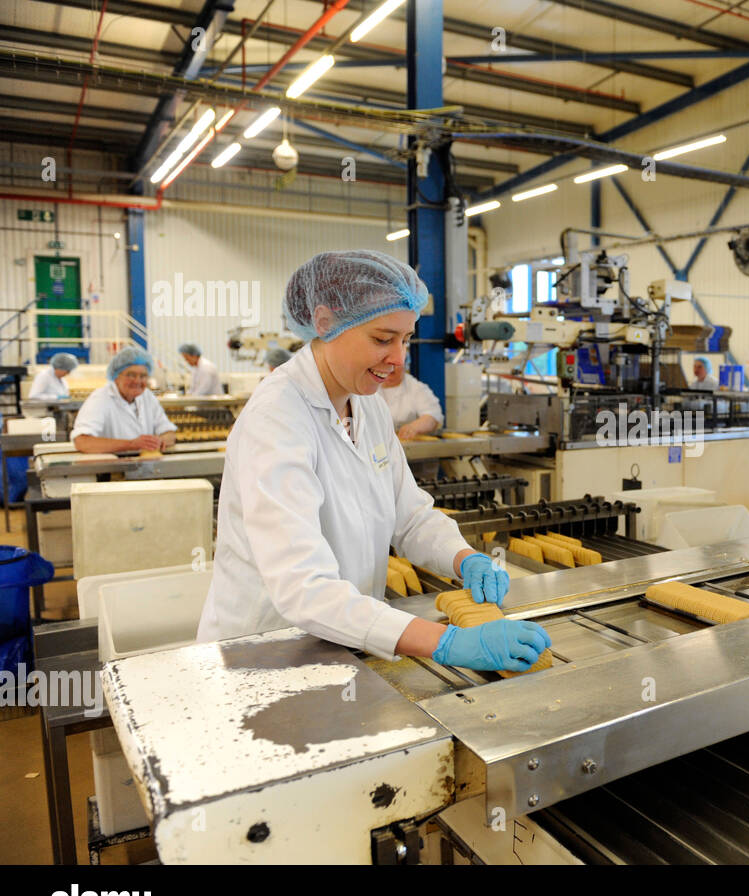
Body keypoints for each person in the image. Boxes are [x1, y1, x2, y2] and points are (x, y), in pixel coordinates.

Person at [196, 250, 550, 672]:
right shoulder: (276, 419)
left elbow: (409, 514)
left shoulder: (367, 404)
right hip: (267, 655)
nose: (399, 358)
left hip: (343, 644)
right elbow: (304, 589)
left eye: (406, 339)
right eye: (383, 339)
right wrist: (446, 641)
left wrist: (462, 556)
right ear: (325, 324)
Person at [71, 346, 177, 454]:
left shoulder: (147, 397)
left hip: (144, 466)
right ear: (116, 376)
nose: (137, 381)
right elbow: (82, 442)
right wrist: (131, 444)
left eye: (143, 376)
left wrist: (161, 440)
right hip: (110, 467)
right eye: (131, 375)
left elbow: (169, 432)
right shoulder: (100, 399)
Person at [380, 360, 444, 441]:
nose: (391, 368)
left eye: (396, 364)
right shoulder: (371, 388)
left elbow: (433, 416)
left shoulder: (416, 388)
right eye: (387, 364)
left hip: (409, 447)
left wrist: (413, 427)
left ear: (405, 365)